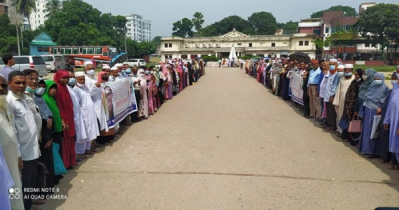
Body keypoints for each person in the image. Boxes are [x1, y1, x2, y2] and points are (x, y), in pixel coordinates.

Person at [7, 70, 40, 210]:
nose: (21, 86)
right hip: (22, 154)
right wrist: (18, 155)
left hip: (33, 149)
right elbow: (12, 131)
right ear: (9, 84)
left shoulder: (25, 99)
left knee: (30, 183)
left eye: (23, 82)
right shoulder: (9, 102)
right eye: (17, 83)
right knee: (22, 185)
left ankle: (29, 206)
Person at [0, 74, 25, 210]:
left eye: (3, 85)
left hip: (12, 158)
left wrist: (18, 155)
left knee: (15, 188)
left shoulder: (5, 105)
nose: (1, 88)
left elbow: (13, 133)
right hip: (2, 163)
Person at [358, 72, 389, 157]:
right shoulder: (371, 86)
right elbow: (366, 97)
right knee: (366, 129)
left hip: (377, 111)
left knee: (374, 131)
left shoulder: (385, 88)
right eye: (375, 79)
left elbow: (385, 100)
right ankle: (365, 149)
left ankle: (373, 151)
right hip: (368, 108)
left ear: (382, 79)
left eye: (378, 79)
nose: (376, 81)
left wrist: (381, 107)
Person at [54, 70, 77, 169]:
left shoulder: (65, 88)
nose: (66, 80)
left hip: (70, 118)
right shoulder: (57, 88)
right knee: (64, 142)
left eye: (67, 78)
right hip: (64, 120)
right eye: (63, 78)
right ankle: (65, 163)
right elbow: (59, 107)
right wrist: (64, 121)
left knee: (70, 140)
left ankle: (70, 162)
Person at [74, 72, 100, 154]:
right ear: (76, 79)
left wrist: (94, 87)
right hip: (83, 114)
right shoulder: (75, 90)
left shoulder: (85, 87)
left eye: (83, 79)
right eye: (80, 79)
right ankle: (80, 152)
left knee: (90, 132)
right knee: (83, 133)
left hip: (90, 114)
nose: (82, 81)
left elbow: (90, 94)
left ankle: (87, 148)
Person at [67, 71, 87, 160]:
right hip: (71, 117)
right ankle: (75, 155)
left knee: (78, 135)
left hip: (77, 115)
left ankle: (77, 154)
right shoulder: (68, 89)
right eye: (69, 77)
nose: (71, 79)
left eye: (72, 77)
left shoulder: (72, 88)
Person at [341, 68, 363, 145]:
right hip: (348, 105)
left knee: (354, 123)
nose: (356, 76)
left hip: (355, 106)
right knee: (348, 121)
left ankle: (354, 140)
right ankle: (346, 137)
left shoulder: (361, 84)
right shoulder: (353, 82)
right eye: (355, 74)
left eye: (357, 74)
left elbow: (358, 97)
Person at [333, 64, 355, 135]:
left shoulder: (354, 79)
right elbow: (338, 91)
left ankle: (346, 132)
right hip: (341, 101)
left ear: (352, 70)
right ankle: (340, 130)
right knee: (340, 115)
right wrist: (336, 102)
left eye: (349, 70)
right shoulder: (342, 79)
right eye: (346, 70)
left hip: (350, 103)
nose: (347, 71)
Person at [383, 74, 399, 169]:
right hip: (394, 122)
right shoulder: (395, 89)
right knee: (395, 146)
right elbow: (390, 105)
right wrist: (387, 120)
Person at [323, 60, 340, 132]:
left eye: (332, 64)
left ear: (336, 65)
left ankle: (332, 127)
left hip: (331, 96)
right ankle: (329, 125)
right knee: (328, 112)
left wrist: (332, 95)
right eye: (330, 64)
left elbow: (335, 86)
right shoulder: (329, 74)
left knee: (332, 112)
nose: (331, 66)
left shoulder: (336, 75)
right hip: (327, 96)